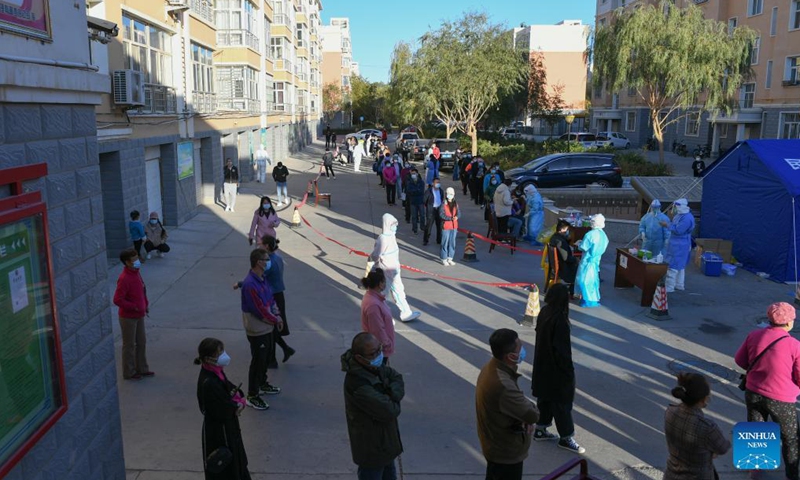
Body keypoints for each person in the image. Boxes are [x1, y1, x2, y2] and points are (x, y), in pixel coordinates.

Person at [735, 302, 800, 480]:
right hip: (782, 399)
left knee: (756, 430)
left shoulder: (754, 335)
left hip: (753, 392)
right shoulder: (794, 345)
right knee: (790, 438)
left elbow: (740, 360)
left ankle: (755, 471)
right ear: (788, 323)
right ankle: (792, 475)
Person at [476, 328, 540, 480]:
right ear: (511, 356)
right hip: (505, 451)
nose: (523, 350)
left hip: (494, 445)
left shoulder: (492, 367)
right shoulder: (503, 385)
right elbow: (533, 415)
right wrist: (528, 412)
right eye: (520, 348)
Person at [342, 332, 404, 480]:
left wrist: (391, 395)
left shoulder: (373, 368)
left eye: (379, 350)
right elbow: (391, 410)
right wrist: (393, 397)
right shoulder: (358, 384)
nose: (378, 355)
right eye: (373, 353)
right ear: (359, 358)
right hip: (372, 449)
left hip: (386, 444)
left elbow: (396, 377)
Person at [531, 284, 585, 454]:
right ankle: (566, 436)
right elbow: (562, 351)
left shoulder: (545, 312)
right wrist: (568, 372)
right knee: (561, 403)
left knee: (545, 398)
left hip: (542, 365)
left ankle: (540, 428)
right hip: (556, 370)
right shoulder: (560, 320)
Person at [195, 338, 251, 480]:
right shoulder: (208, 383)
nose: (224, 355)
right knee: (226, 466)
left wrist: (238, 398)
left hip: (228, 428)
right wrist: (237, 406)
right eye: (219, 353)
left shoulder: (216, 372)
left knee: (238, 463)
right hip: (220, 432)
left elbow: (230, 388)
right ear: (208, 359)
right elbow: (223, 408)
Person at [663, 372, 729, 480]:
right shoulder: (708, 427)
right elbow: (722, 448)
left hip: (672, 475)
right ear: (703, 399)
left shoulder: (670, 411)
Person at [240, 249, 283, 410]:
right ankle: (252, 394)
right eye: (266, 259)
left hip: (267, 326)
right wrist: (275, 318)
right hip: (258, 329)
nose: (268, 261)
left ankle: (262, 383)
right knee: (258, 361)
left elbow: (270, 299)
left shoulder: (262, 278)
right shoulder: (250, 284)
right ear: (259, 262)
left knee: (266, 358)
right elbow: (259, 310)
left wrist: (277, 313)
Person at [367, 213, 421, 322]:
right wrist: (371, 260)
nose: (395, 226)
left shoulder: (392, 236)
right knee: (383, 294)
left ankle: (406, 312)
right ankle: (383, 316)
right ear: (387, 224)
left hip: (395, 269)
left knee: (399, 290)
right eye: (393, 224)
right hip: (385, 270)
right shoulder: (383, 238)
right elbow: (376, 254)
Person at [113, 248, 154, 380]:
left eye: (137, 258)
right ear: (127, 262)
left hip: (139, 315)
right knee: (129, 345)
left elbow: (142, 290)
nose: (137, 261)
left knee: (141, 342)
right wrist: (135, 307)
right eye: (134, 260)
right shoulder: (124, 278)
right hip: (128, 317)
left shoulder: (136, 273)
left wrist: (145, 305)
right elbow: (117, 299)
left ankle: (142, 368)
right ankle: (129, 372)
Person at [360, 269, 395, 363]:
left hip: (379, 348)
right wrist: (387, 344)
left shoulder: (373, 298)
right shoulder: (374, 305)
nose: (385, 283)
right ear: (380, 284)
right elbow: (377, 329)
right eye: (384, 281)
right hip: (379, 350)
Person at [575, 214, 609, 308]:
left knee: (583, 280)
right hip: (596, 260)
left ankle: (587, 300)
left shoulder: (590, 234)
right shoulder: (603, 235)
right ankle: (593, 298)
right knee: (593, 281)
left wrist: (579, 244)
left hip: (587, 260)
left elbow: (583, 247)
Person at [664, 198, 695, 293]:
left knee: (673, 265)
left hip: (679, 245)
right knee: (680, 266)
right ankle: (679, 284)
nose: (674, 209)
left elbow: (679, 230)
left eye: (676, 207)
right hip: (677, 243)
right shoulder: (680, 215)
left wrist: (667, 225)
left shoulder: (687, 218)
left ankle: (669, 287)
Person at [549, 220, 578, 296]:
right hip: (564, 267)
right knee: (580, 267)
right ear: (562, 230)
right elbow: (566, 258)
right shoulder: (560, 242)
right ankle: (573, 290)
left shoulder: (554, 237)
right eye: (566, 229)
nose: (567, 231)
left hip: (557, 264)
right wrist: (576, 259)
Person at [439, 187, 459, 266]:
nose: (450, 195)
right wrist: (449, 218)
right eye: (448, 194)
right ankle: (444, 258)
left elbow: (459, 213)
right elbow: (441, 214)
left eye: (451, 194)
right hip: (446, 226)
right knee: (445, 242)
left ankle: (450, 258)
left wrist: (457, 217)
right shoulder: (443, 204)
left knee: (452, 242)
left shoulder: (455, 204)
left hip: (454, 226)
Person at [423, 178, 444, 246]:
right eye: (436, 182)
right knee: (428, 226)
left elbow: (442, 199)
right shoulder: (428, 191)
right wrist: (429, 207)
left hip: (439, 210)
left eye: (439, 182)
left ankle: (439, 240)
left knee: (440, 226)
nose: (438, 184)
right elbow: (424, 200)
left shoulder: (441, 191)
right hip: (431, 210)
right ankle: (426, 240)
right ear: (432, 183)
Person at [406, 168, 426, 235]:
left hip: (420, 201)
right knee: (414, 216)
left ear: (417, 174)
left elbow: (421, 191)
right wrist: (416, 191)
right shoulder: (409, 182)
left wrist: (414, 191)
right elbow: (409, 191)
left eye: (414, 173)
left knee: (422, 215)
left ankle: (422, 226)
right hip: (413, 202)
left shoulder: (421, 182)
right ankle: (415, 229)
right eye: (412, 174)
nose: (413, 175)